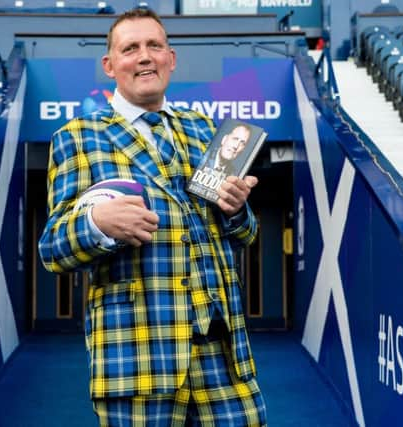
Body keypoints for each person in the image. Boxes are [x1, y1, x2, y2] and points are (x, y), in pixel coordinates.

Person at [38, 8, 266, 426]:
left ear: (171, 58)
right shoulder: (77, 137)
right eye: (131, 49)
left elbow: (246, 235)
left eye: (154, 46)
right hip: (137, 352)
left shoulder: (205, 129)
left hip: (223, 353)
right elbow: (53, 249)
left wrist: (237, 210)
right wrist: (98, 225)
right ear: (110, 66)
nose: (145, 57)